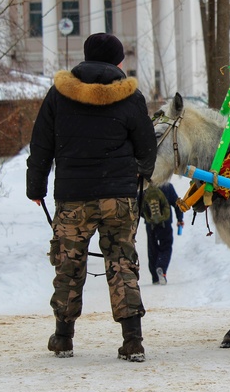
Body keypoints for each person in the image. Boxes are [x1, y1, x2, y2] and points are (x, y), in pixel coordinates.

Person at [26, 33, 157, 362]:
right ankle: (133, 340)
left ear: (85, 57)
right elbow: (146, 145)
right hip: (119, 198)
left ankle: (63, 338)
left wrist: (36, 188)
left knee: (68, 264)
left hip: (73, 197)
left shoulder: (59, 95)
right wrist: (141, 173)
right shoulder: (131, 97)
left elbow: (41, 144)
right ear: (118, 62)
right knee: (122, 262)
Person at [142, 182, 185, 285]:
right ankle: (161, 268)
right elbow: (177, 204)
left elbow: (139, 208)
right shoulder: (166, 185)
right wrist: (180, 219)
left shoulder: (144, 187)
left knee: (152, 249)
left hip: (150, 225)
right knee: (166, 246)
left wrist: (147, 218)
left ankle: (155, 278)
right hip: (165, 223)